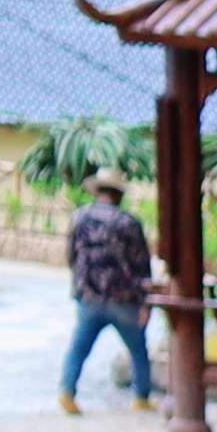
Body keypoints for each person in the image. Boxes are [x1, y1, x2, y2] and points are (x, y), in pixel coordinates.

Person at [62, 172, 157, 415]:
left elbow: (71, 256)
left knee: (79, 347)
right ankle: (140, 398)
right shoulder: (128, 223)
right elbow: (142, 265)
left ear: (97, 191)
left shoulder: (79, 218)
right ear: (119, 194)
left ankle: (67, 392)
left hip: (89, 297)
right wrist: (146, 303)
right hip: (124, 299)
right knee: (138, 349)